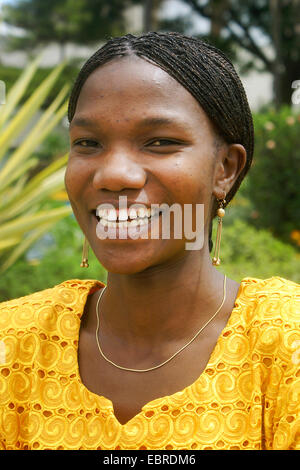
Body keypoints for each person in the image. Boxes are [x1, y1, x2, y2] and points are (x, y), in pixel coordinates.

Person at [0, 31, 299, 451]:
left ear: (225, 169)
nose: (114, 174)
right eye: (88, 143)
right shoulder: (13, 345)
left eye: (160, 142)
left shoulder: (287, 346)